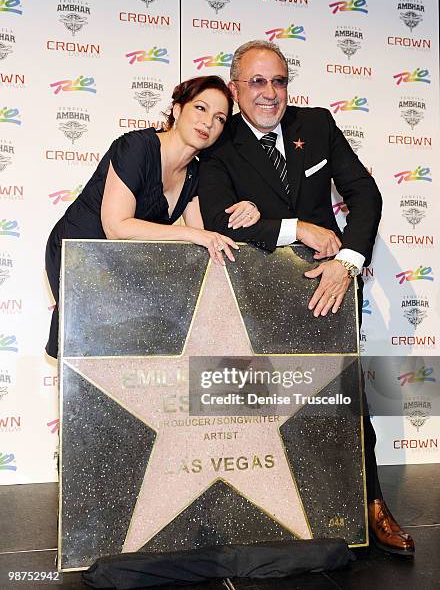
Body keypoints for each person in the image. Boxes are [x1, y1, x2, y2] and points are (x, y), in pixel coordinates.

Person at [198, 40, 414, 556]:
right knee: (259, 405)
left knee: (344, 401)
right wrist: (299, 227)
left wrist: (348, 262)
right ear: (235, 88)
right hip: (254, 298)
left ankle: (371, 506)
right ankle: (270, 512)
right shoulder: (219, 144)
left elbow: (366, 194)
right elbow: (216, 220)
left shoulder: (315, 124)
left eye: (279, 81)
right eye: (257, 82)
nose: (270, 93)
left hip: (329, 286)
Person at [45, 75, 261, 359]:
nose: (208, 122)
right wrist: (192, 234)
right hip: (79, 252)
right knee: (90, 351)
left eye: (220, 118)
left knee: (128, 351)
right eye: (200, 108)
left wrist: (250, 208)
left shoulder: (195, 173)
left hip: (120, 262)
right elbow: (116, 227)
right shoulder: (137, 147)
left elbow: (206, 239)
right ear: (178, 109)